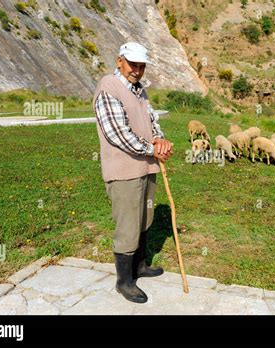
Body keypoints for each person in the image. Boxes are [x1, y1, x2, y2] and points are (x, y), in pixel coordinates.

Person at [93, 42, 173, 303]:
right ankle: (124, 282)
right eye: (132, 65)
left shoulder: (140, 91)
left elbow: (152, 122)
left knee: (144, 219)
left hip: (146, 165)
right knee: (128, 225)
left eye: (141, 66)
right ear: (119, 61)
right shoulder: (109, 88)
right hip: (124, 170)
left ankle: (139, 266)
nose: (137, 70)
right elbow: (119, 135)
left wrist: (159, 140)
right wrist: (153, 148)